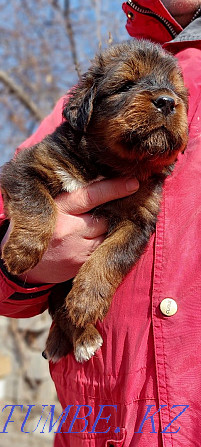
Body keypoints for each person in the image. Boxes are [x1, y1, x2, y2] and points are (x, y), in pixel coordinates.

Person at [0, 0, 201, 445]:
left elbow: (134, 232)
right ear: (86, 110)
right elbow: (16, 181)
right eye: (129, 86)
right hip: (104, 424)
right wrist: (27, 256)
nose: (166, 100)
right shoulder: (69, 124)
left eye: (177, 97)